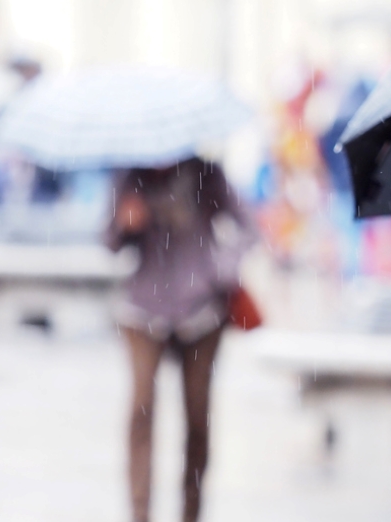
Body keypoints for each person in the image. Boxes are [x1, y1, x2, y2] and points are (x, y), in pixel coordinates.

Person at [105, 157, 255, 522]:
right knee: (141, 409)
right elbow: (108, 240)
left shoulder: (208, 173)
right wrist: (124, 224)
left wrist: (222, 267)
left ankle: (192, 510)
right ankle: (139, 512)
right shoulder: (130, 176)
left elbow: (249, 226)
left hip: (201, 308)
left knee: (197, 416)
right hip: (143, 308)